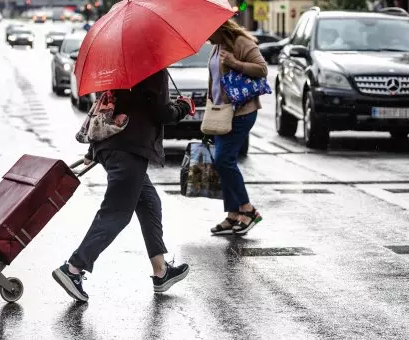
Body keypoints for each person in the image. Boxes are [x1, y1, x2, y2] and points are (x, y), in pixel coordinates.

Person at [52, 69, 193, 302]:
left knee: (149, 202)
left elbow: (107, 104)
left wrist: (93, 150)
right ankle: (74, 268)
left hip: (110, 147)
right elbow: (162, 112)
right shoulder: (153, 70)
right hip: (129, 151)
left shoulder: (117, 66)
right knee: (116, 213)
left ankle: (161, 272)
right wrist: (183, 107)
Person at [206, 19, 268, 236]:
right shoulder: (216, 47)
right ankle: (233, 214)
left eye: (208, 31)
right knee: (222, 162)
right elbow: (215, 81)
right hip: (221, 113)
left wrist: (235, 63)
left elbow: (262, 69)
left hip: (242, 112)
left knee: (224, 159)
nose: (206, 37)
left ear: (220, 28)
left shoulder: (241, 42)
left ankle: (247, 209)